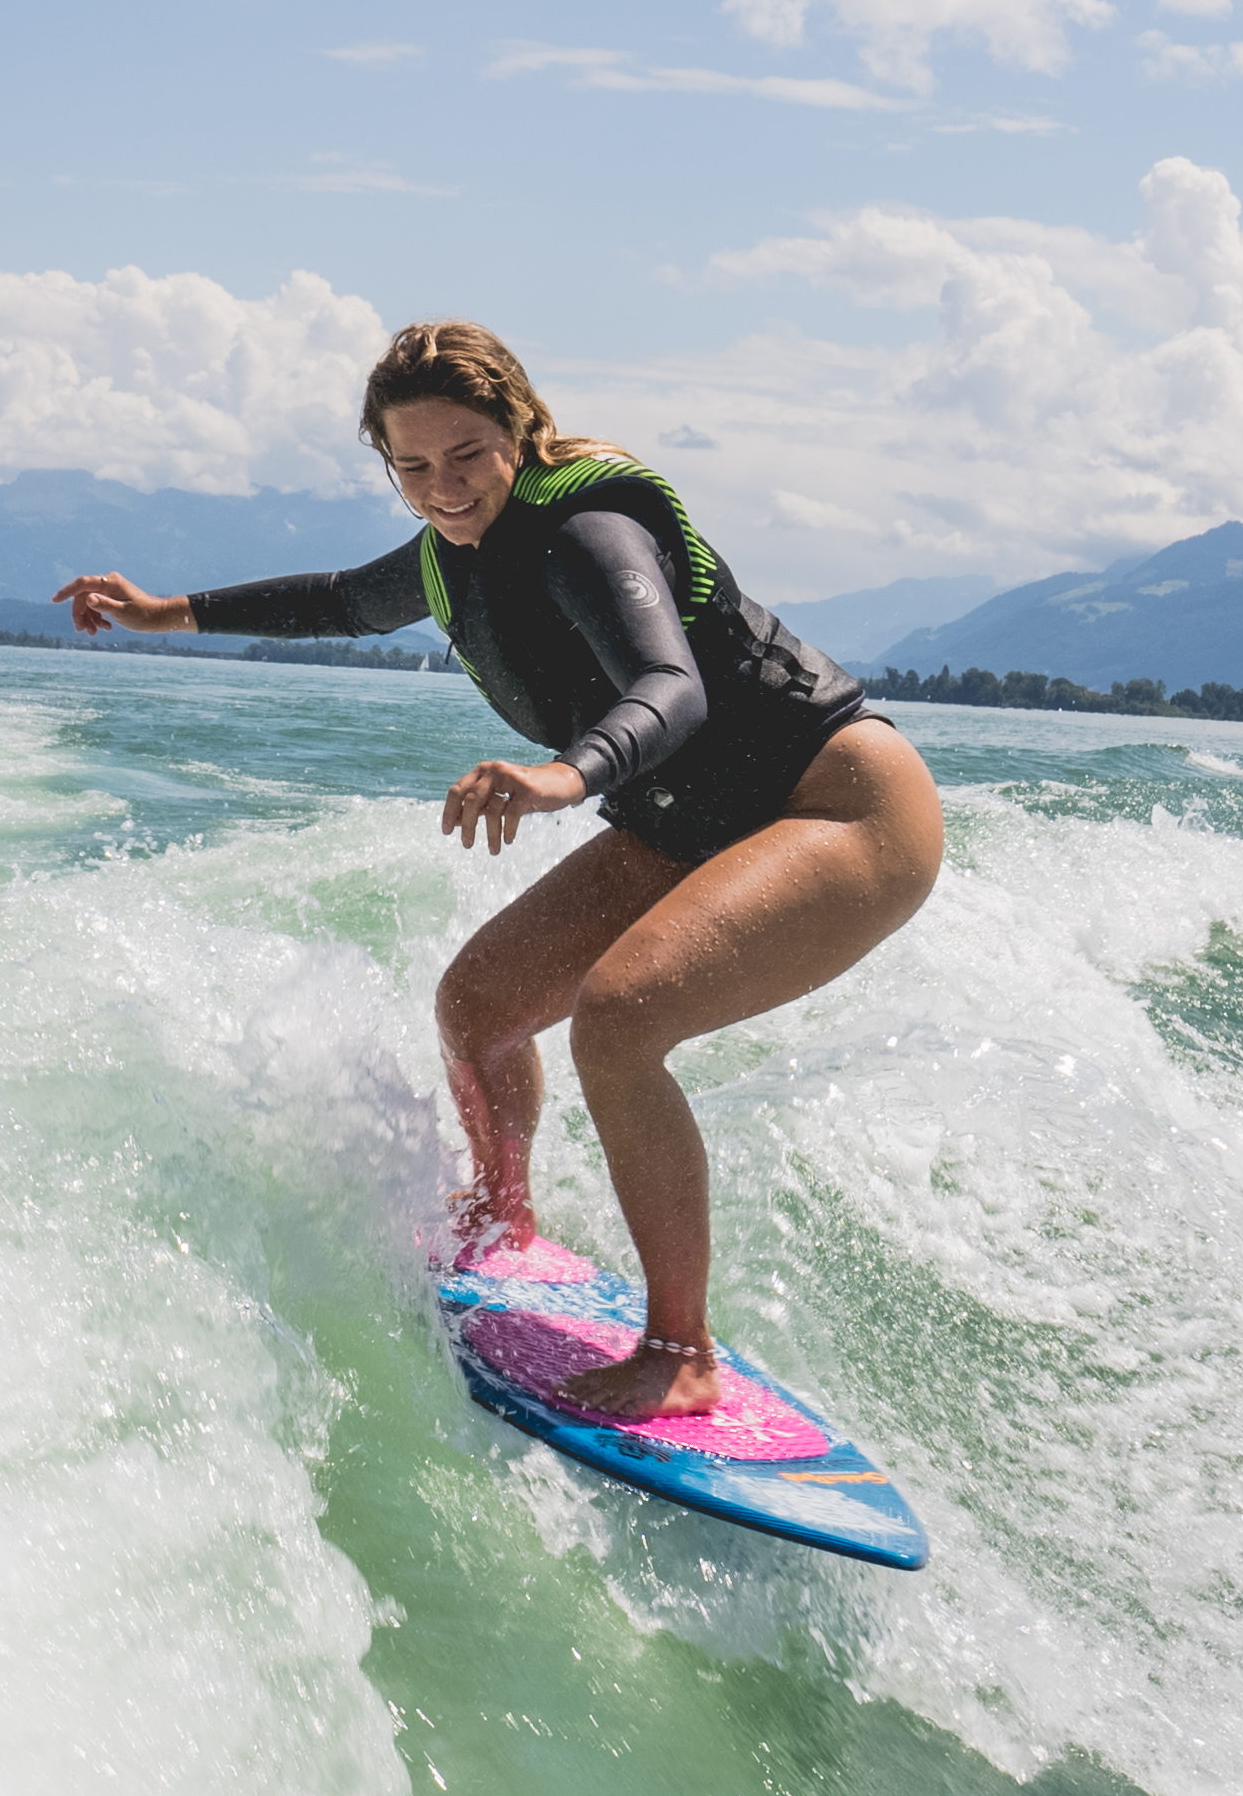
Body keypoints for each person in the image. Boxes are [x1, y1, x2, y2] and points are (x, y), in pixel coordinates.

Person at [55, 321, 946, 1424]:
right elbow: (337, 601)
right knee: (477, 1009)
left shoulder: (588, 530)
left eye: (466, 455)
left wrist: (566, 781)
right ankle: (502, 1220)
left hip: (839, 803)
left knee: (618, 1020)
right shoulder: (448, 556)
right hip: (689, 816)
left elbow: (671, 687)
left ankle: (682, 1352)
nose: (442, 487)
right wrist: (164, 613)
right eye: (411, 466)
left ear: (521, 431)